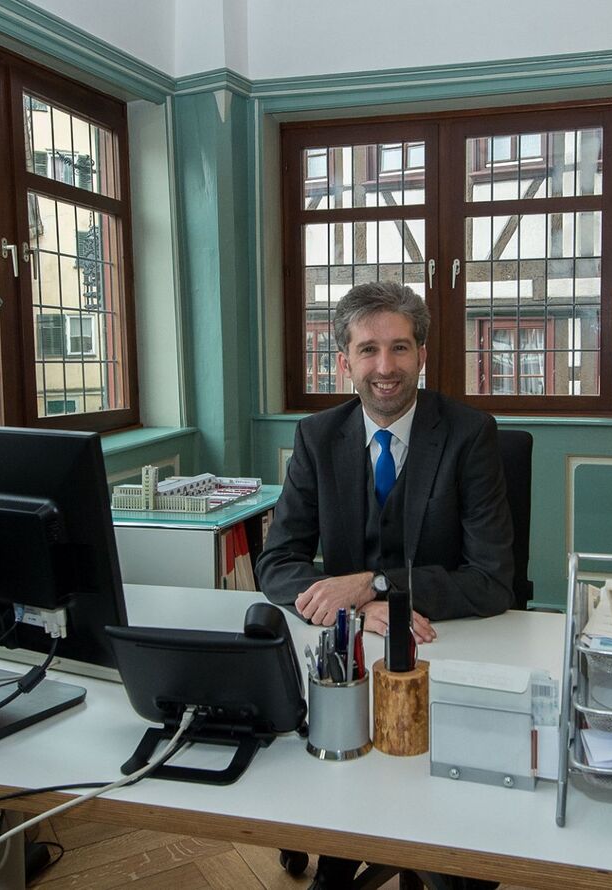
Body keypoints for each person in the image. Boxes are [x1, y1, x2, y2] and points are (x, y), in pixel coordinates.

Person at [255, 281, 514, 890]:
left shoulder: (470, 434)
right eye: (368, 350)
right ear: (344, 361)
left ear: (422, 354)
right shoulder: (318, 437)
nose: (385, 367)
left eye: (400, 347)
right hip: (351, 662)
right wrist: (353, 610)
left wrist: (374, 588)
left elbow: (491, 581)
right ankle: (343, 839)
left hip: (444, 652)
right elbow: (277, 562)